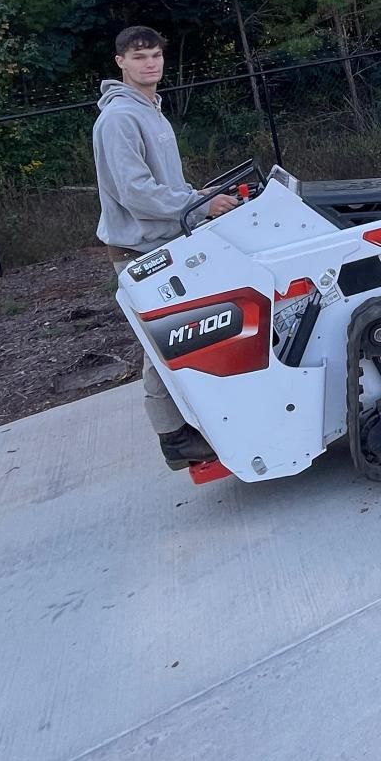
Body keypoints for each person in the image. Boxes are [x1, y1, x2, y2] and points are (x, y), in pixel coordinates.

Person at [93, 25, 239, 469]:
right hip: (141, 251)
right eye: (139, 57)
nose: (149, 64)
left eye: (155, 55)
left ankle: (196, 420)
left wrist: (200, 194)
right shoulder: (120, 118)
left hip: (161, 239)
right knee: (166, 339)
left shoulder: (150, 110)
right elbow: (136, 192)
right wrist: (198, 207)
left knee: (182, 332)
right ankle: (174, 438)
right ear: (120, 62)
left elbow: (163, 185)